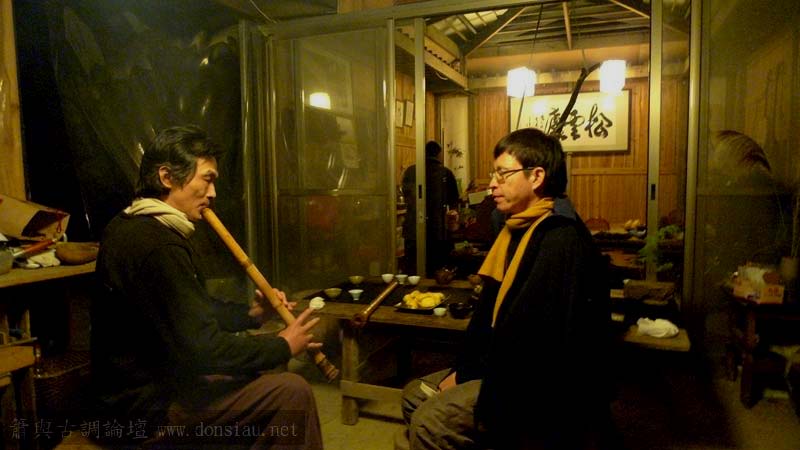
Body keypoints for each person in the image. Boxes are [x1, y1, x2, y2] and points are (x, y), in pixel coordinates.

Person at [91, 125, 324, 449]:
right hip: (144, 412)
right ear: (167, 177)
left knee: (255, 375)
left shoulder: (134, 224)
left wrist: (251, 315)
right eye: (207, 179)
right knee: (291, 393)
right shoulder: (157, 245)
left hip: (153, 388)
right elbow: (204, 350)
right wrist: (282, 345)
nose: (213, 193)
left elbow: (188, 310)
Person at [402, 128, 612, 449]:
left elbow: (531, 342)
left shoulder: (559, 238)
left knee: (429, 421)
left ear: (536, 176)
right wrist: (463, 371)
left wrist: (466, 376)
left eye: (502, 174)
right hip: (501, 365)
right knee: (413, 395)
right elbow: (490, 319)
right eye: (493, 173)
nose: (492, 183)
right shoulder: (517, 226)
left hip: (535, 386)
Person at [401, 140, 460, 276]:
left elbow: (406, 195)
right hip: (438, 229)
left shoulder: (410, 171)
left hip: (413, 228)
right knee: (436, 270)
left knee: (413, 269)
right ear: (439, 154)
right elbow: (454, 200)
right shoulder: (446, 173)